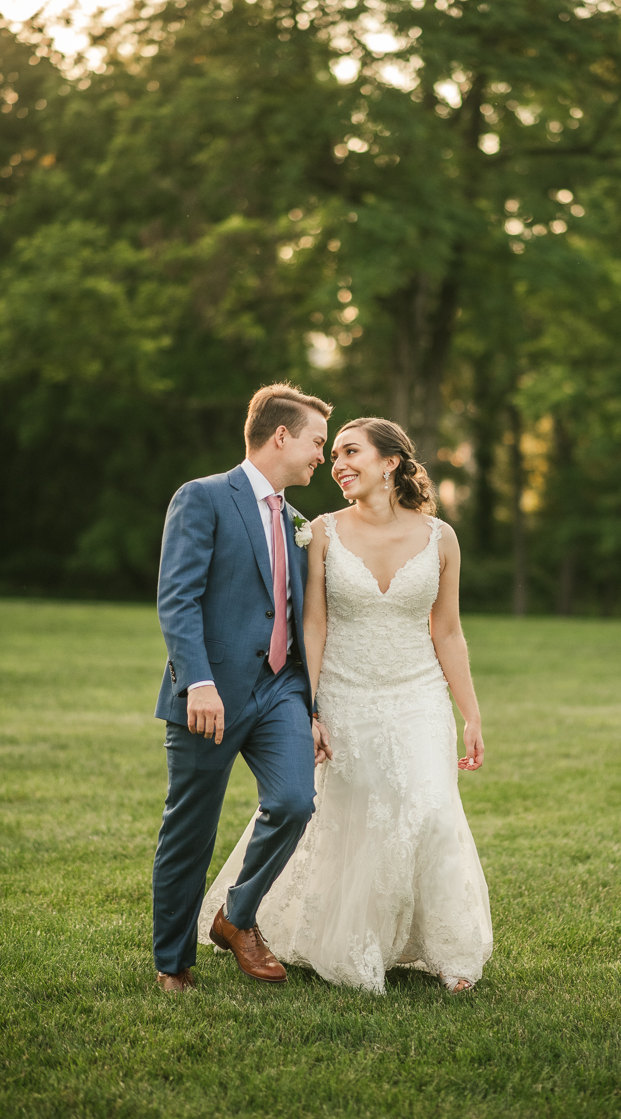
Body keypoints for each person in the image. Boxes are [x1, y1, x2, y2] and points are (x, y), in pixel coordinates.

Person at [199, 417, 493, 994]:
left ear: (391, 462)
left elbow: (449, 632)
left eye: (351, 451)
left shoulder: (441, 538)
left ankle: (446, 948)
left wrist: (472, 714)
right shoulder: (322, 531)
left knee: (430, 810)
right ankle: (351, 943)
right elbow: (314, 622)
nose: (337, 464)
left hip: (418, 694)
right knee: (358, 814)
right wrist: (308, 707)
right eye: (332, 454)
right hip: (345, 690)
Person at [151, 382, 332, 992]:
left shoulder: (298, 520)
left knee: (293, 802)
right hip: (212, 694)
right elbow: (178, 597)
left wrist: (310, 705)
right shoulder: (203, 498)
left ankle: (238, 915)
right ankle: (173, 963)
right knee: (191, 830)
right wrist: (196, 681)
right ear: (281, 435)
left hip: (282, 689)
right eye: (316, 442)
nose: (321, 456)